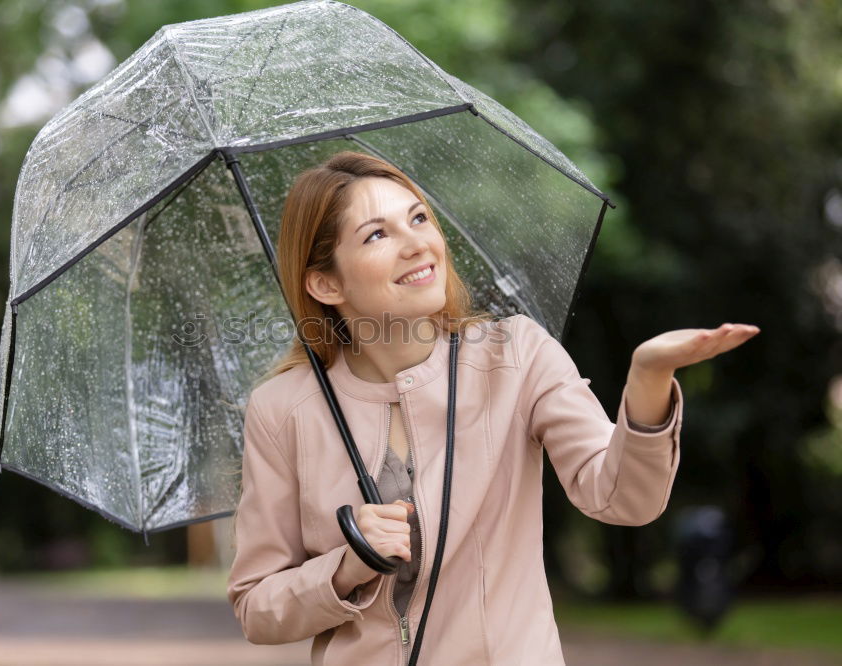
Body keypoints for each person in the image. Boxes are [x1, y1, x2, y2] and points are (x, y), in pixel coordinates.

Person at [225, 150, 759, 665]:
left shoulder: (516, 356)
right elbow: (256, 606)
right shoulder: (282, 410)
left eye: (419, 218)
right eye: (378, 234)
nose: (416, 243)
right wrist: (346, 566)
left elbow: (624, 498)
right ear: (325, 282)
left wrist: (648, 378)